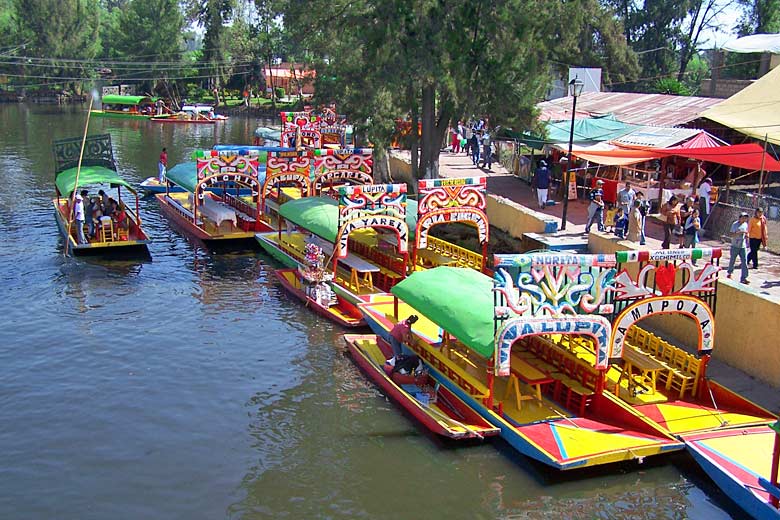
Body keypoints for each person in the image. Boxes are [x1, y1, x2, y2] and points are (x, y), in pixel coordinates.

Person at [726, 212, 750, 284]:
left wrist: (747, 236)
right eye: (743, 217)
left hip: (742, 246)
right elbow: (731, 234)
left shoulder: (745, 224)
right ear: (740, 218)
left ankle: (744, 277)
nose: (744, 219)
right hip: (735, 245)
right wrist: (738, 233)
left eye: (745, 218)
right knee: (732, 260)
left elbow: (747, 232)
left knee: (744, 261)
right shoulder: (735, 224)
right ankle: (729, 273)